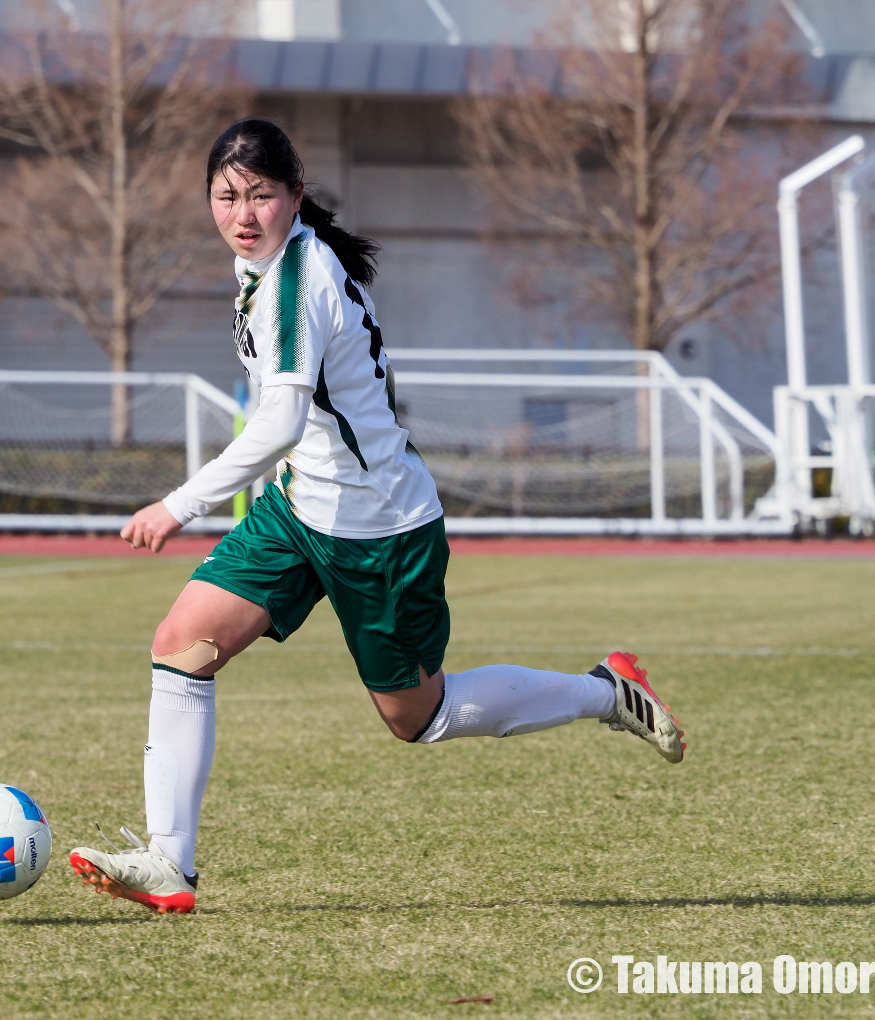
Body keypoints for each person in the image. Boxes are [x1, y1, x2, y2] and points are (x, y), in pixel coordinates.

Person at [68, 119, 685, 915]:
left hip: (379, 530)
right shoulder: (267, 265)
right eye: (227, 196)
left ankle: (607, 692)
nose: (242, 212)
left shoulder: (296, 279)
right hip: (297, 512)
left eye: (260, 194)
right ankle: (169, 865)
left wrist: (178, 505)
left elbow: (282, 421)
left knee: (417, 718)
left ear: (295, 195)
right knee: (181, 645)